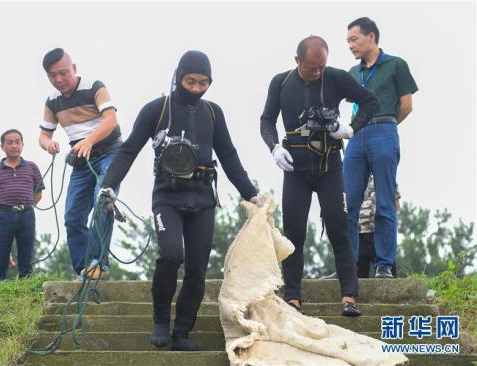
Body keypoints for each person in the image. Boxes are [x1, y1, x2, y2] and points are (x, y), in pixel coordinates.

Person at [99, 50, 263, 351]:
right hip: (167, 197)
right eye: (190, 81)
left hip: (202, 199)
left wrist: (251, 194)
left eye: (203, 83)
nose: (196, 88)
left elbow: (228, 156)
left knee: (198, 269)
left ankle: (182, 333)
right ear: (178, 77)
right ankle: (161, 320)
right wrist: (108, 185)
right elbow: (128, 150)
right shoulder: (157, 109)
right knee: (172, 254)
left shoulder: (213, 113)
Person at [260, 36, 380, 317]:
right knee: (294, 234)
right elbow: (266, 119)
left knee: (339, 229)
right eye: (312, 67)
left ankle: (349, 296)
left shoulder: (335, 78)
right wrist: (274, 147)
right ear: (297, 61)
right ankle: (292, 298)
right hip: (295, 170)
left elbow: (371, 102)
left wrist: (350, 129)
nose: (317, 72)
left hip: (329, 167)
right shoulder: (281, 83)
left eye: (321, 67)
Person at [38, 48, 123, 281]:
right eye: (53, 75)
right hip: (81, 161)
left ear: (74, 68)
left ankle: (99, 262)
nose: (59, 80)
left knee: (103, 200)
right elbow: (43, 135)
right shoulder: (52, 102)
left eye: (63, 73)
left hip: (110, 153)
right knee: (73, 216)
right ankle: (84, 270)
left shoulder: (94, 87)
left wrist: (89, 140)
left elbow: (111, 120)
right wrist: (49, 144)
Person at [344, 17, 418, 278]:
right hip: (356, 135)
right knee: (349, 203)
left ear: (371, 37)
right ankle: (347, 265)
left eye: (354, 39)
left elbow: (406, 106)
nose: (350, 45)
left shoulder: (396, 65)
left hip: (384, 130)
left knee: (385, 201)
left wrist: (385, 126)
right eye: (348, 41)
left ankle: (383, 264)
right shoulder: (353, 73)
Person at [0, 129, 44, 282]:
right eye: (10, 142)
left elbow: (38, 194)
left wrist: (25, 206)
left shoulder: (32, 167)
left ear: (22, 144)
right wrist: (0, 210)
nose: (14, 145)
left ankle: (26, 283)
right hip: (3, 215)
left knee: (27, 251)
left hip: (26, 215)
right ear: (2, 146)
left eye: (17, 142)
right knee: (0, 253)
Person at [357, 175, 401, 277]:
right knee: (356, 281)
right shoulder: (352, 171)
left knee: (387, 277)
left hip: (381, 236)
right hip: (357, 236)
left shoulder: (383, 172)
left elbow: (396, 205)